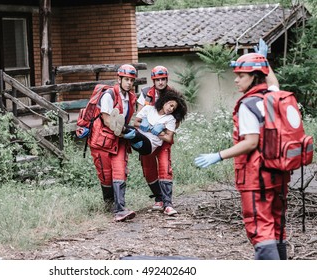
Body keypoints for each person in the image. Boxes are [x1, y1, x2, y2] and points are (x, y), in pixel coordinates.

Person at [194, 39, 290, 260]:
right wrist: (264, 61)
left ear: (254, 77)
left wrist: (218, 155)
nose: (236, 80)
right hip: (278, 173)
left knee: (260, 228)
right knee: (276, 224)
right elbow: (273, 82)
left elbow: (251, 142)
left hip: (257, 177)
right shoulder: (273, 97)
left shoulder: (247, 105)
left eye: (241, 76)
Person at [77, 64, 137, 222]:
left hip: (120, 140)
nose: (129, 83)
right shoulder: (109, 95)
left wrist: (130, 132)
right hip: (102, 140)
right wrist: (121, 130)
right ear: (119, 79)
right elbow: (106, 118)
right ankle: (109, 204)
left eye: (132, 80)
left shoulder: (131, 98)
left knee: (120, 171)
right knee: (105, 176)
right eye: (126, 79)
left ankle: (120, 209)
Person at [136, 66, 180, 215]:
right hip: (147, 138)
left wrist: (165, 129)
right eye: (157, 80)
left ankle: (168, 204)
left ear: (167, 79)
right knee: (148, 168)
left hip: (163, 138)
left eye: (163, 79)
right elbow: (139, 115)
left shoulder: (173, 94)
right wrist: (144, 125)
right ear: (153, 80)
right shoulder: (145, 93)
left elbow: (178, 117)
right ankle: (158, 198)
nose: (160, 82)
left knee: (164, 167)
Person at [109, 89, 187, 156]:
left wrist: (152, 130)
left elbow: (169, 138)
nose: (171, 109)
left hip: (148, 146)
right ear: (165, 101)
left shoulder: (170, 119)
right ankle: (118, 125)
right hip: (137, 140)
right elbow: (136, 123)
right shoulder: (149, 109)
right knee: (131, 128)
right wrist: (154, 130)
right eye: (171, 105)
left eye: (174, 108)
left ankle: (121, 131)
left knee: (135, 133)